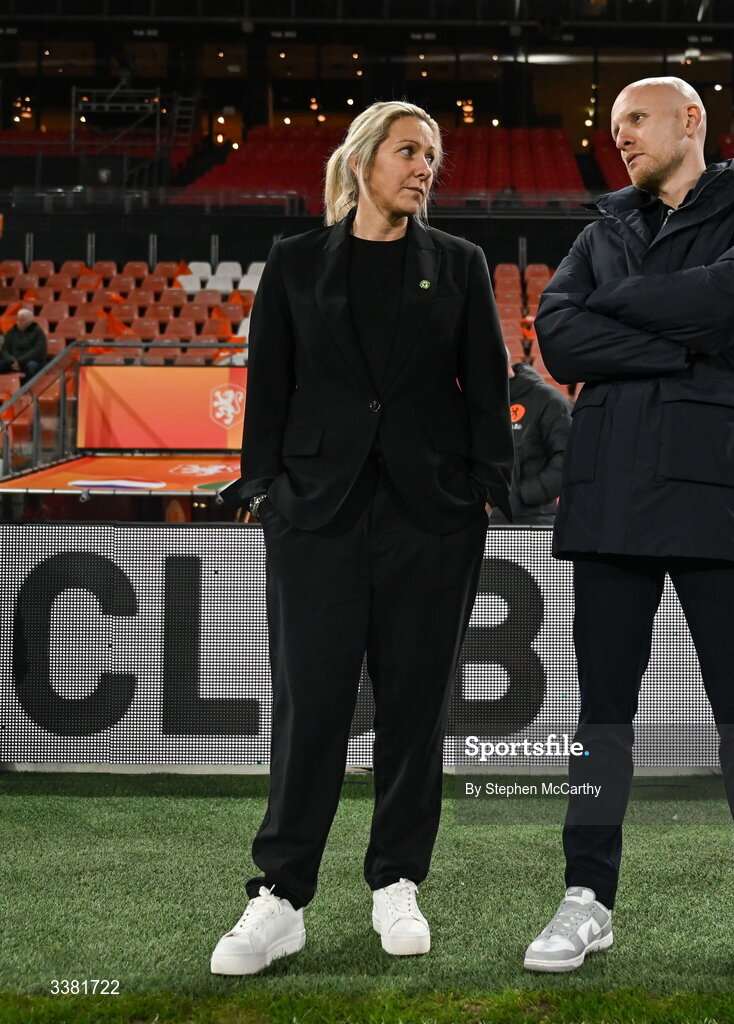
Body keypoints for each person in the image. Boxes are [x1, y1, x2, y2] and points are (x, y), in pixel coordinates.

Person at [524, 76, 734, 982]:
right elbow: (559, 339)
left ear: (688, 120)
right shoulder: (599, 229)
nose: (617, 137)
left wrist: (619, 313)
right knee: (599, 721)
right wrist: (679, 341)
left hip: (714, 491)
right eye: (612, 125)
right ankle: (586, 898)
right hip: (611, 491)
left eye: (635, 121)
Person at [211, 100, 514, 976]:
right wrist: (266, 487)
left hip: (431, 518)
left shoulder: (458, 263)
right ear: (363, 159)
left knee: (415, 709)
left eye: (435, 155)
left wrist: (482, 491)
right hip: (317, 517)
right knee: (311, 705)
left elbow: (487, 386)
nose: (426, 167)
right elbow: (269, 379)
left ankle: (396, 881)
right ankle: (280, 896)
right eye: (410, 150)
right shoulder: (296, 261)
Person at [489, 361, 572, 526]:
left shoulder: (548, 400)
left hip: (535, 521)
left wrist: (524, 494)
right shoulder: (478, 402)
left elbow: (568, 459)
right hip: (485, 521)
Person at [0, 308, 46, 378]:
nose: (19, 322)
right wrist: (11, 360)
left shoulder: (38, 332)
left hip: (30, 361)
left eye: (22, 320)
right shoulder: (12, 331)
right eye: (18, 320)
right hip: (14, 361)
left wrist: (20, 361)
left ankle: (28, 388)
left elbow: (38, 351)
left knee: (31, 366)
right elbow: (5, 350)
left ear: (30, 321)